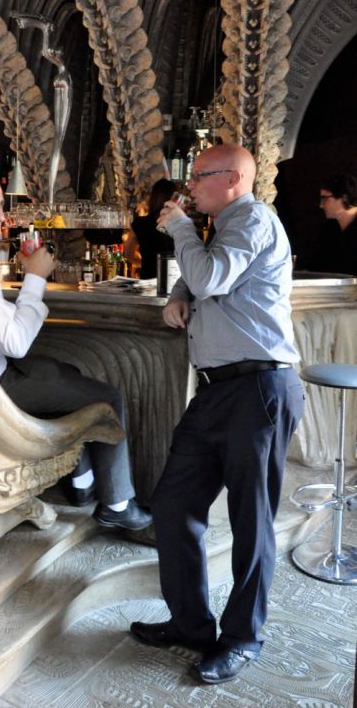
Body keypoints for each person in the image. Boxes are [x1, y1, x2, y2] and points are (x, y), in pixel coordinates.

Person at [130, 144, 304, 685]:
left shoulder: (253, 218)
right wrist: (179, 292)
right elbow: (203, 279)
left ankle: (242, 638)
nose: (189, 186)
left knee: (252, 521)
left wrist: (181, 230)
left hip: (259, 388)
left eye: (198, 176)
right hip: (216, 392)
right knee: (173, 502)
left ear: (232, 179)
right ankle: (191, 625)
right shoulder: (225, 226)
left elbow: (213, 279)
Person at [0, 170, 151, 531]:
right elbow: (17, 343)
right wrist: (36, 277)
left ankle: (82, 484)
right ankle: (117, 504)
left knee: (66, 373)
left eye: (0, 205)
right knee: (107, 398)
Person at [125, 178, 176, 279]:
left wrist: (146, 264)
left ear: (153, 199)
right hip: (173, 279)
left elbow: (128, 254)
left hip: (148, 279)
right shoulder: (179, 225)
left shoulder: (140, 223)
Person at [308, 172, 357, 275]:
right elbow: (316, 267)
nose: (321, 205)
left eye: (324, 198)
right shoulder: (328, 230)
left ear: (344, 198)